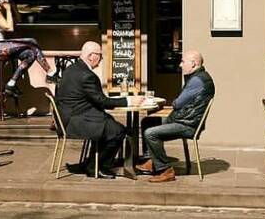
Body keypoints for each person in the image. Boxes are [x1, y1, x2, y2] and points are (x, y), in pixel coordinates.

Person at [55, 40, 144, 179]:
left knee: (109, 122)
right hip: (77, 121)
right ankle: (96, 167)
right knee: (118, 131)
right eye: (100, 56)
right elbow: (102, 102)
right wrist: (129, 100)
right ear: (91, 56)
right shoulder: (87, 75)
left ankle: (91, 163)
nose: (101, 59)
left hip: (67, 118)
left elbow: (94, 98)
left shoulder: (72, 69)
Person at [135, 50, 215, 183]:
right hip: (184, 119)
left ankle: (165, 170)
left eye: (183, 61)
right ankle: (152, 161)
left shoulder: (197, 81)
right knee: (148, 121)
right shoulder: (197, 77)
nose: (180, 65)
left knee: (150, 133)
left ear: (193, 64)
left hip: (187, 124)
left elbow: (177, 104)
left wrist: (175, 102)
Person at [0, 0, 58, 97]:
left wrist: (12, 8)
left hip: (1, 44)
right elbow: (9, 28)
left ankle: (11, 84)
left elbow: (18, 21)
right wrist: (8, 9)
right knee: (32, 41)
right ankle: (50, 72)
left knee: (31, 53)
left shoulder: (4, 12)